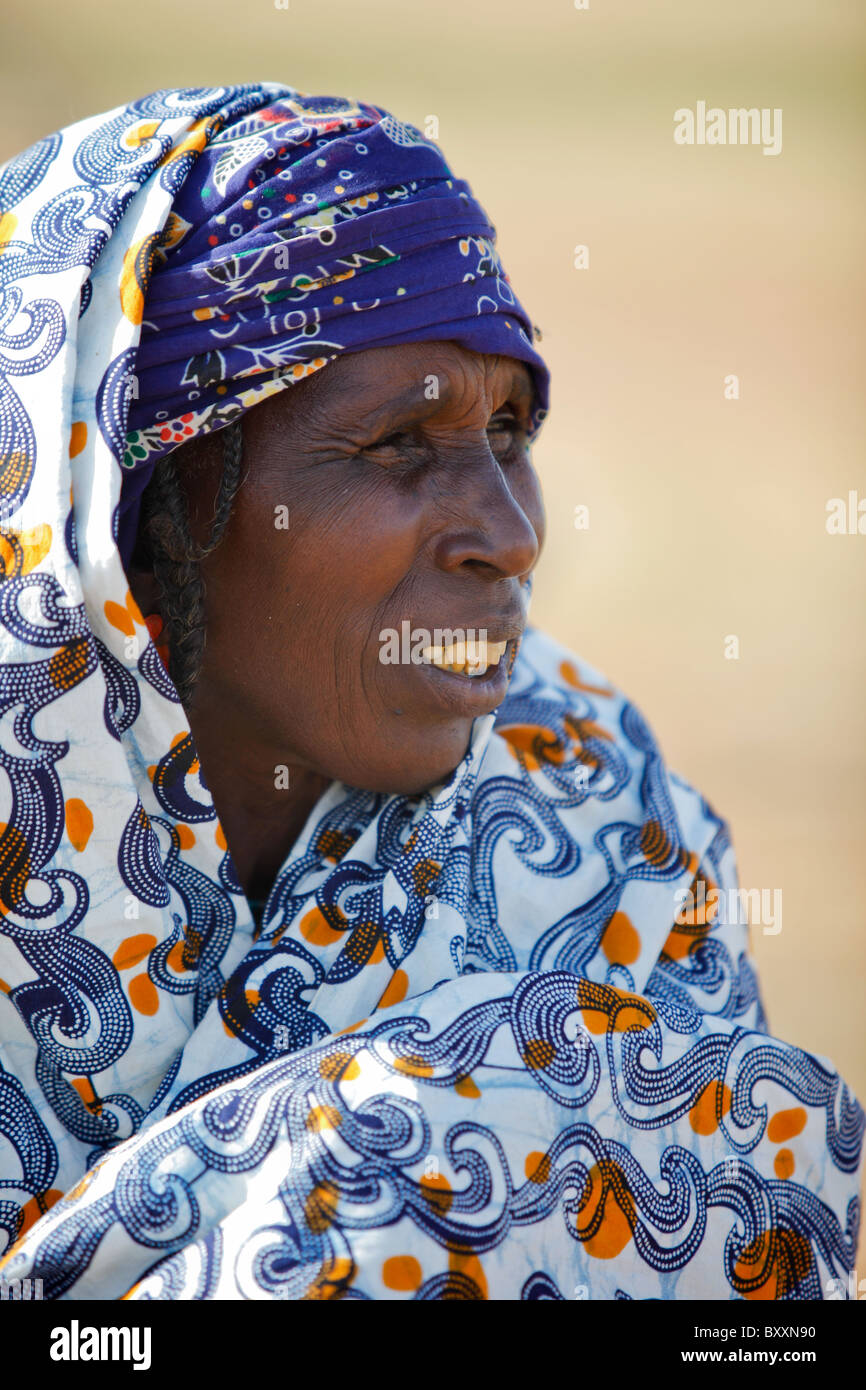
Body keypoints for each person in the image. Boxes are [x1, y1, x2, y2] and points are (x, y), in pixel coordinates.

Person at [0, 83, 861, 1301]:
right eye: (399, 445)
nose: (510, 536)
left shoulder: (594, 811)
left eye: (511, 433)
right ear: (138, 507)